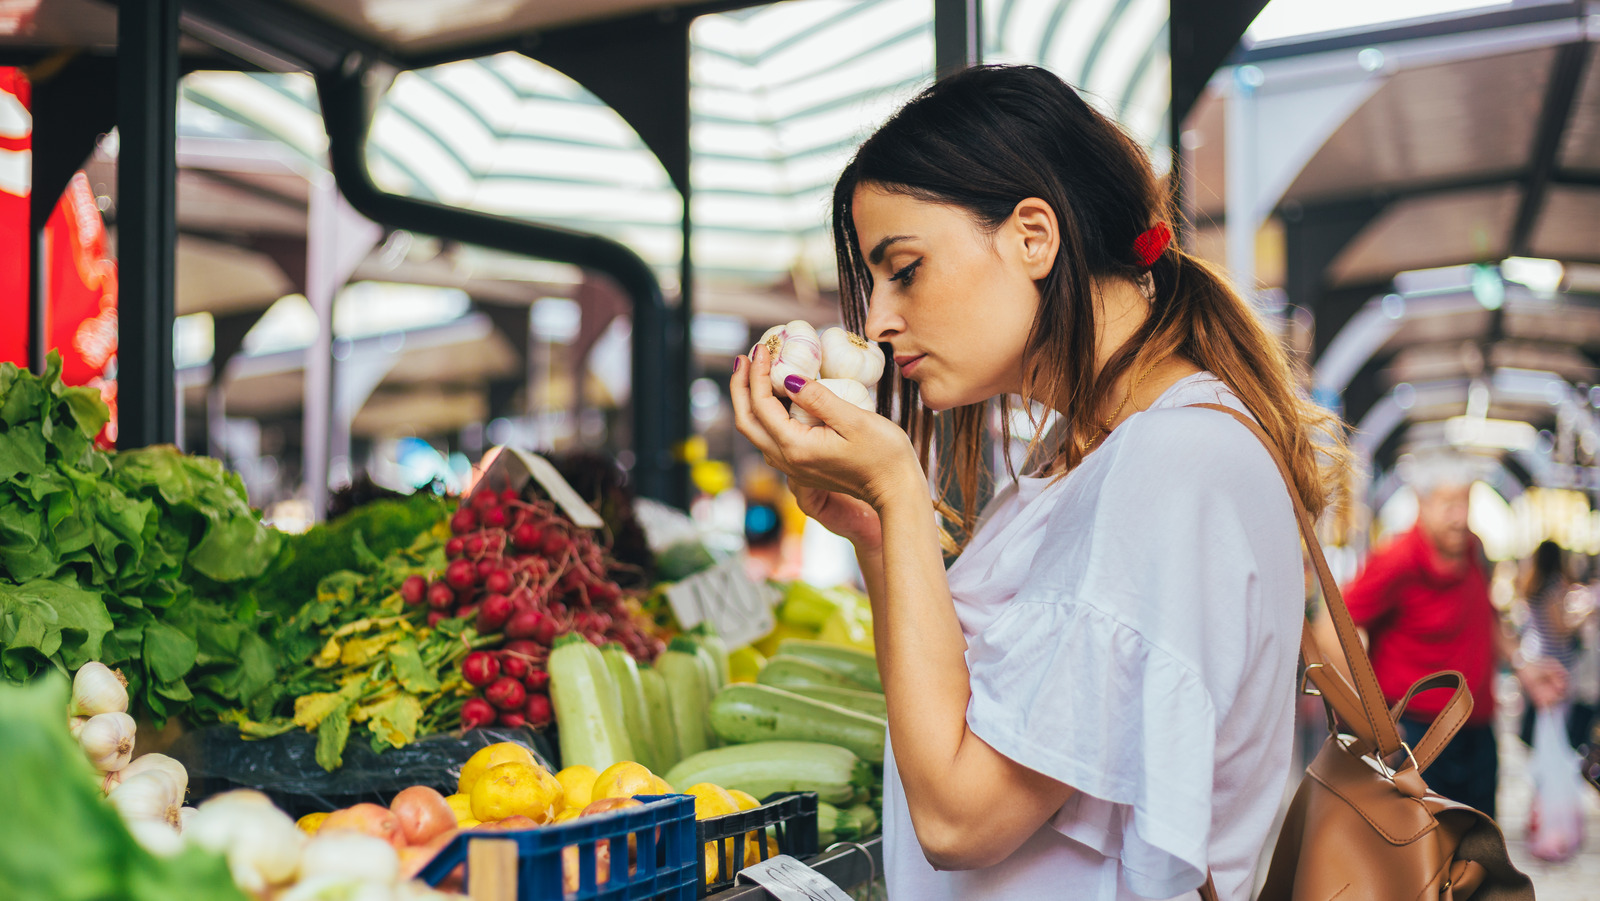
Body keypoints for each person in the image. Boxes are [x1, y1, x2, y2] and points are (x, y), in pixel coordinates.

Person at [730, 64, 1344, 900]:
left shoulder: (1167, 465)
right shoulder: (1089, 452)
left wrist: (903, 488)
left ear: (1033, 236)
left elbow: (959, 817)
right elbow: (972, 710)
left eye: (903, 267)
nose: (876, 320)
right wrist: (875, 528)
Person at [1329, 458, 1566, 818]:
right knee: (1424, 856)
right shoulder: (1397, 559)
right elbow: (1335, 625)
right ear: (1422, 505)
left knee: (1480, 845)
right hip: (1418, 735)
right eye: (1448, 505)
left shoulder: (1472, 548)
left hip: (1477, 729)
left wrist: (1523, 667)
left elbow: (1485, 616)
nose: (1459, 517)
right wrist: (1367, 715)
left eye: (1465, 503)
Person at [1518, 539, 1594, 751]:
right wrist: (1584, 617)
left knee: (1544, 716)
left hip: (1539, 652)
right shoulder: (1553, 585)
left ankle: (1544, 754)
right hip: (1557, 659)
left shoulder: (1533, 584)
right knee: (1556, 718)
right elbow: (1561, 627)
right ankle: (1553, 755)